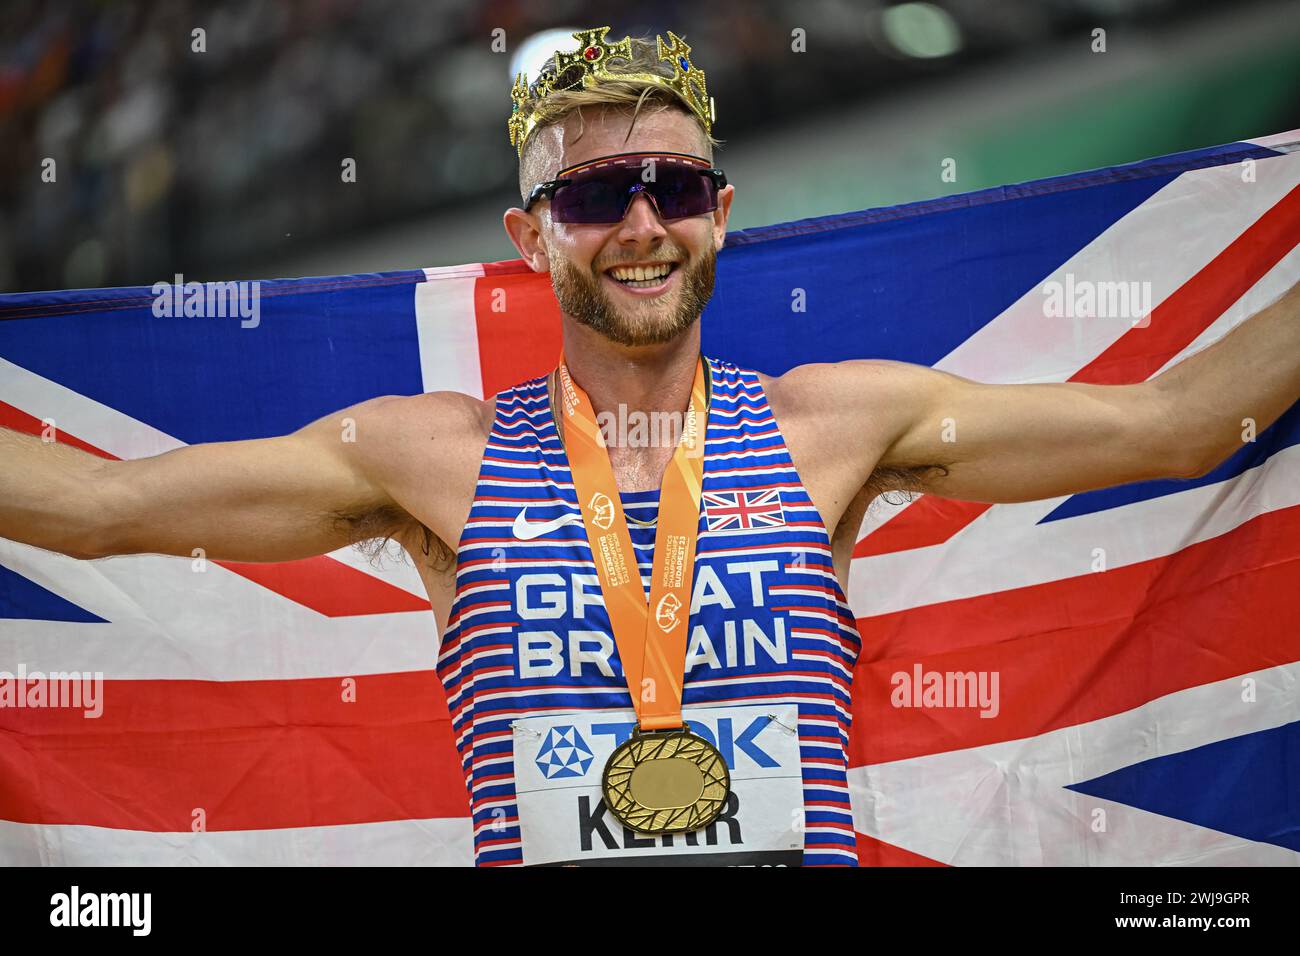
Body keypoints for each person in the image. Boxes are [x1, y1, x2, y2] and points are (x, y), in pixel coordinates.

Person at [1, 27, 1297, 867]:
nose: (638, 223)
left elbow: (1177, 422)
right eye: (590, 194)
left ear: (720, 216)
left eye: (672, 187)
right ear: (531, 237)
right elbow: (101, 511)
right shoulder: (427, 460)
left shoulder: (833, 426)